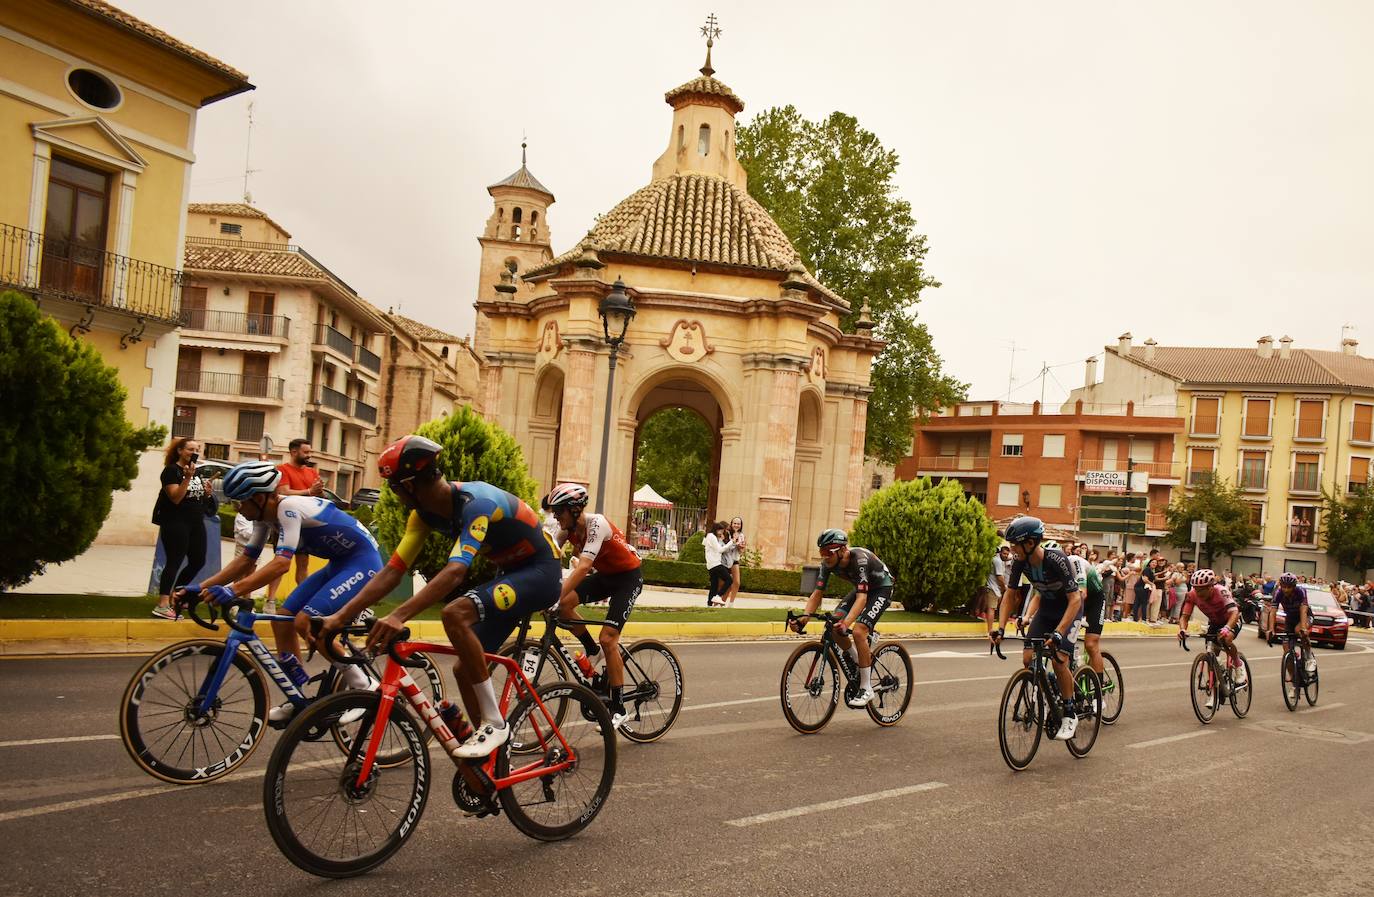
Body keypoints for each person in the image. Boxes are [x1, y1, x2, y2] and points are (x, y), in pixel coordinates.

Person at [319, 435, 562, 759]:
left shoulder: (476, 502)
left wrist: (398, 615)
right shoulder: (422, 516)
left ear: (409, 484)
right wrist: (340, 616)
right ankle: (489, 760)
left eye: (393, 486)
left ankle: (494, 723)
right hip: (510, 575)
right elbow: (392, 572)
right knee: (465, 668)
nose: (393, 494)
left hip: (541, 573)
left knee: (455, 614)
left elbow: (455, 572)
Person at [177, 460, 380, 723]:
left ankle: (365, 686)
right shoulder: (263, 517)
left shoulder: (289, 508)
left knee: (307, 621)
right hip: (340, 564)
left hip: (363, 562)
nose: (238, 508)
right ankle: (298, 699)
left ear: (261, 497)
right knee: (283, 619)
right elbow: (245, 561)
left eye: (241, 501)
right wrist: (200, 587)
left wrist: (233, 590)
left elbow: (282, 564)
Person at [546, 483, 644, 729]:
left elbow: (582, 568)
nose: (556, 517)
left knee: (609, 638)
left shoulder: (596, 524)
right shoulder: (566, 530)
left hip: (628, 578)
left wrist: (553, 596)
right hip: (605, 576)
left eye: (559, 511)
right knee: (564, 607)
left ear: (575, 509)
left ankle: (619, 708)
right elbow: (548, 557)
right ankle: (591, 649)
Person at [989, 517, 1083, 741]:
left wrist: (1060, 633)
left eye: (1015, 545)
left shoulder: (1057, 560)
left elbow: (1075, 599)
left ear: (1030, 543)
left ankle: (1070, 713)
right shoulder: (1021, 561)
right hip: (1047, 610)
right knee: (1028, 659)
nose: (1012, 550)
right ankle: (1052, 683)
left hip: (1069, 609)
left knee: (1060, 659)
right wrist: (1000, 628)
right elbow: (1010, 595)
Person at [792, 528, 896, 708]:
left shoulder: (859, 560)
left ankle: (866, 688)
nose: (824, 557)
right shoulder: (827, 564)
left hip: (881, 589)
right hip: (862, 589)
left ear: (842, 550)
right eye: (821, 552)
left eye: (828, 552)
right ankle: (858, 659)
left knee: (858, 631)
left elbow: (862, 599)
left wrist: (847, 623)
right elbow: (817, 593)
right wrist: (804, 618)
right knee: (834, 625)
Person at [151, 437, 210, 620]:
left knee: (198, 560)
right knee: (174, 561)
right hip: (176, 522)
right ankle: (162, 605)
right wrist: (188, 478)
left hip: (196, 522)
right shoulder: (171, 471)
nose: (194, 452)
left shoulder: (195, 472)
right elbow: (176, 497)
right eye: (190, 449)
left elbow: (196, 497)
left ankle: (176, 596)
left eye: (197, 449)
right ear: (179, 451)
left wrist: (206, 494)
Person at [265, 438, 325, 608]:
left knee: (303, 564)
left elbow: (317, 495)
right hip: (285, 522)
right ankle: (270, 601)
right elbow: (284, 492)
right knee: (280, 563)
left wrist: (319, 492)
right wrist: (309, 491)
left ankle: (303, 601)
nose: (309, 455)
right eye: (306, 452)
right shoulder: (282, 470)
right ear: (293, 452)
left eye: (310, 452)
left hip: (305, 525)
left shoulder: (312, 472)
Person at [1176, 569, 1247, 699]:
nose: (1199, 593)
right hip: (1214, 622)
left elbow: (1234, 613)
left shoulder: (1221, 591)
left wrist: (1227, 628)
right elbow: (1184, 616)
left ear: (1211, 586)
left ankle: (1238, 665)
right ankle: (1214, 688)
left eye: (1202, 589)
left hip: (1231, 620)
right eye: (1196, 589)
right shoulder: (1192, 595)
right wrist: (1182, 629)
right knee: (1211, 654)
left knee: (1226, 640)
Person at [1268, 572, 1315, 674]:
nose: (1286, 590)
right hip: (1290, 619)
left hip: (1305, 617)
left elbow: (1303, 610)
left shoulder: (1300, 591)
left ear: (1293, 587)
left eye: (1289, 587)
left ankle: (1309, 655)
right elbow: (1272, 612)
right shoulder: (1278, 593)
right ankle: (1294, 682)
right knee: (1286, 649)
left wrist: (1303, 627)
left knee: (1299, 631)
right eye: (1283, 587)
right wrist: (1271, 629)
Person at [978, 545, 1009, 634]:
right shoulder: (998, 561)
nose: (1006, 556)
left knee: (992, 608)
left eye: (1007, 554)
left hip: (995, 588)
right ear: (999, 553)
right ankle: (990, 630)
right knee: (991, 609)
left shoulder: (998, 560)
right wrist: (1004, 588)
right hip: (993, 588)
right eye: (1004, 553)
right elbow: (999, 577)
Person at [703, 521, 733, 607]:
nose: (721, 533)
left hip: (711, 564)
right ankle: (718, 596)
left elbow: (715, 548)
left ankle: (709, 603)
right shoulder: (712, 536)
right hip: (715, 564)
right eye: (721, 531)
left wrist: (720, 539)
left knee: (714, 585)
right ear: (716, 530)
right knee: (729, 580)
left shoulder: (710, 537)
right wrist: (731, 542)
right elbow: (720, 550)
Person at [723, 517, 746, 607]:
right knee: (725, 583)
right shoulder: (727, 534)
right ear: (731, 524)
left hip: (735, 560)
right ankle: (722, 601)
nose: (736, 525)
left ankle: (731, 603)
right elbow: (726, 547)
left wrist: (741, 547)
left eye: (738, 524)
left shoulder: (742, 535)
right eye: (735, 523)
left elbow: (741, 551)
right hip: (726, 560)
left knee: (737, 582)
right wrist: (734, 542)